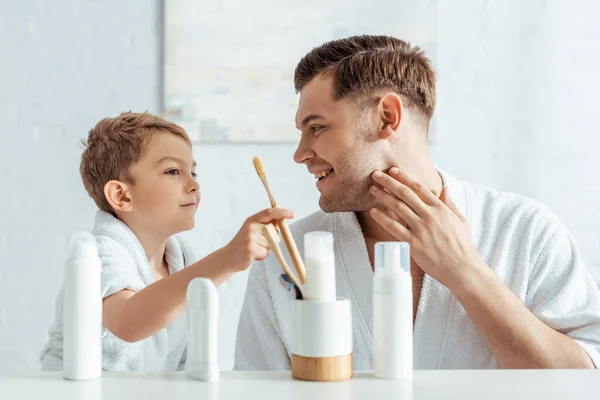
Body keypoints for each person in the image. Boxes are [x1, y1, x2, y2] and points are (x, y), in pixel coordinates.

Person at [234, 35, 600, 370]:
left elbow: (584, 381)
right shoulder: (284, 258)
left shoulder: (525, 231)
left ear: (387, 117)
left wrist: (465, 271)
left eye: (317, 128)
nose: (300, 154)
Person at [41, 111, 292, 371]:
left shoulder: (181, 259)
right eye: (173, 171)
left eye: (193, 172)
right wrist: (228, 258)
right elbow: (129, 321)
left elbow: (182, 360)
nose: (193, 184)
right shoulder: (100, 252)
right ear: (121, 195)